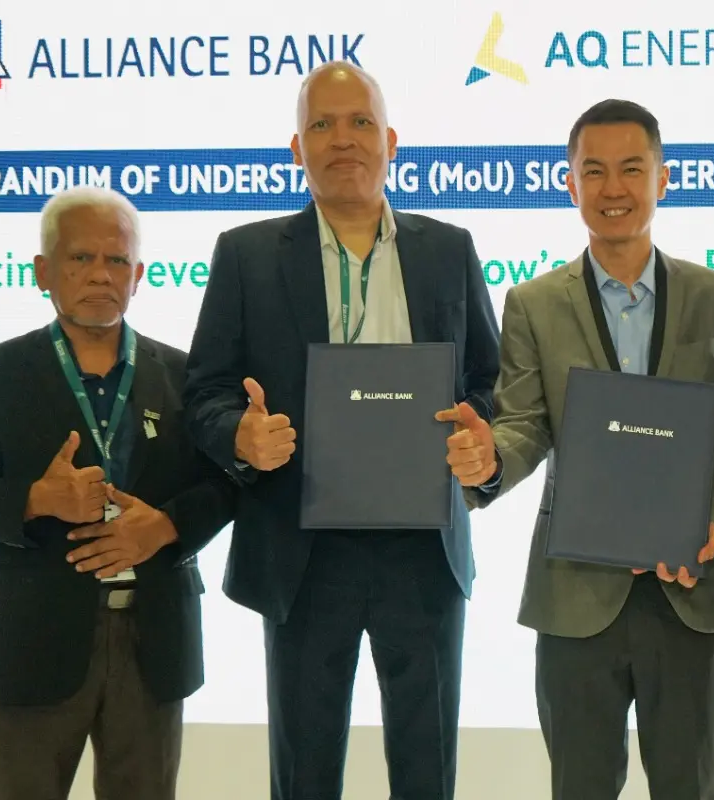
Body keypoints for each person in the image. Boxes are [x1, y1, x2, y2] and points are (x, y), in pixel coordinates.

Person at [182, 61, 500, 800]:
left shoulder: (447, 249)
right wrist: (239, 436)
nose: (342, 139)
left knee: (428, 774)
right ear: (296, 149)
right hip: (302, 552)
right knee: (305, 775)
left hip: (422, 551)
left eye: (359, 122)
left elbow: (489, 384)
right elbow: (205, 393)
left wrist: (480, 444)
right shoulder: (248, 255)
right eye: (320, 125)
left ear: (391, 141)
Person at [440, 99, 714, 800]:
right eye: (595, 171)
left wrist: (710, 523)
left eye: (631, 169)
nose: (614, 189)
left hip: (690, 591)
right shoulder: (533, 303)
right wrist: (491, 459)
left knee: (692, 787)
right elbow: (524, 422)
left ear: (662, 179)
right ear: (570, 184)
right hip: (577, 598)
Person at [0, 185, 236, 800]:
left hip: (153, 643)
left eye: (117, 260)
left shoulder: (184, 374)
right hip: (32, 642)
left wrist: (166, 526)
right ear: (43, 271)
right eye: (80, 258)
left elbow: (227, 487)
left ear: (140, 275)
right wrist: (36, 499)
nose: (101, 274)